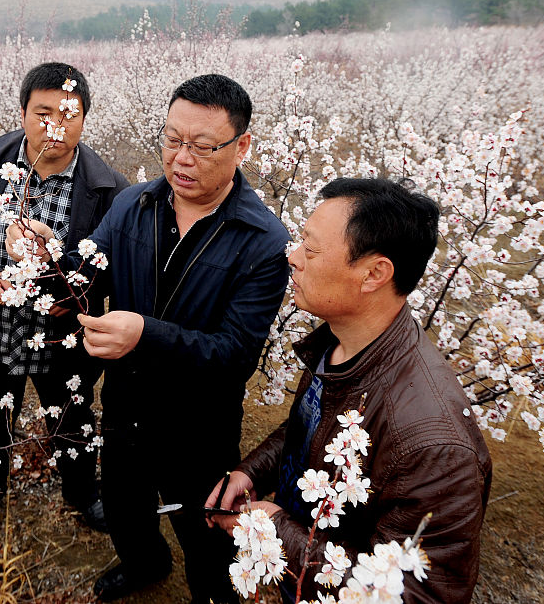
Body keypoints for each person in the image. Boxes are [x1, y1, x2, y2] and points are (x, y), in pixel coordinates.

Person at [14, 74, 290, 602]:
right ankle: (144, 565)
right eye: (171, 140)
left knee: (205, 529)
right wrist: (45, 257)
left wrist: (142, 334)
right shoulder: (134, 205)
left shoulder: (262, 241)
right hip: (123, 404)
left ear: (242, 145)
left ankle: (212, 591)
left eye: (203, 147)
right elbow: (86, 270)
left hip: (198, 425)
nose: (181, 159)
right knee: (125, 506)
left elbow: (234, 356)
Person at [205, 177, 492, 604]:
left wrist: (277, 529)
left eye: (312, 250)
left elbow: (421, 594)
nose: (294, 258)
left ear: (375, 273)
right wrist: (253, 471)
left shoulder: (434, 444)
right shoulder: (341, 344)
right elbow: (311, 426)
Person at [0, 61, 128, 530]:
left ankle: (82, 494)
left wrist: (58, 264)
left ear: (84, 119)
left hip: (62, 340)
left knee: (74, 422)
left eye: (69, 114)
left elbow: (112, 269)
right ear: (21, 113)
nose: (54, 126)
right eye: (42, 113)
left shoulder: (109, 189)